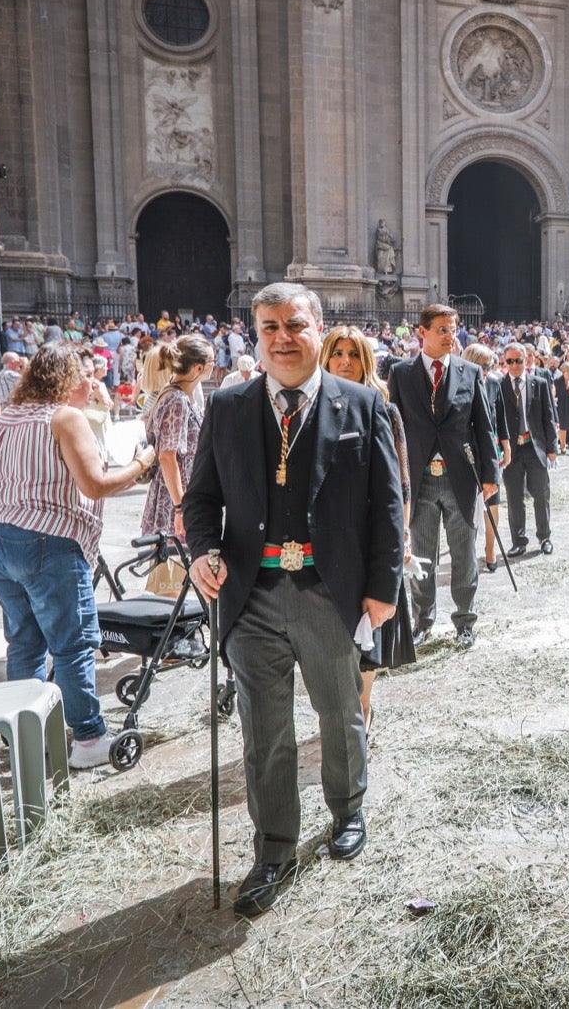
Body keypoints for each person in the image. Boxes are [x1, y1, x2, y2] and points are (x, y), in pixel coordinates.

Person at [185, 284, 403, 917]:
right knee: (265, 729)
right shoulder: (227, 407)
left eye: (295, 324)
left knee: (339, 714)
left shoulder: (363, 405)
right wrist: (201, 550)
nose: (282, 336)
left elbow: (388, 506)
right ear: (255, 333)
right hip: (249, 597)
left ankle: (348, 809)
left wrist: (381, 589)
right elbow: (200, 499)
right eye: (269, 325)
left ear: (319, 328)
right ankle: (274, 845)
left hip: (327, 593)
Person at [0, 343, 158, 769]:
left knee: (26, 641)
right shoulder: (64, 417)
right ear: (66, 379)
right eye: (84, 374)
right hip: (42, 540)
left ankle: (26, 732)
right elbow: (95, 484)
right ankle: (89, 737)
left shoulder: (11, 417)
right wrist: (141, 464)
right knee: (73, 645)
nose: (91, 382)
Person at [387, 304, 499, 649]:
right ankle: (423, 621)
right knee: (422, 555)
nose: (451, 337)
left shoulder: (468, 372)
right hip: (417, 479)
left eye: (454, 329)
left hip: (460, 478)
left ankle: (465, 621)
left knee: (464, 553)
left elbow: (483, 426)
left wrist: (490, 473)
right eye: (443, 330)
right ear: (422, 332)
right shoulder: (401, 374)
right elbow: (393, 429)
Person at [321, 325, 415, 730]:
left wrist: (402, 537)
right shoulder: (310, 407)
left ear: (367, 362)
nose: (345, 361)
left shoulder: (383, 408)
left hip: (370, 539)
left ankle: (362, 711)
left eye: (354, 354)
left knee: (368, 633)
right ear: (325, 358)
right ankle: (340, 713)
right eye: (338, 353)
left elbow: (402, 485)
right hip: (324, 541)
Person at [140, 335, 212, 542]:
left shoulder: (181, 395)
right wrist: (180, 508)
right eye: (212, 362)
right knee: (173, 567)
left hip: (182, 492)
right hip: (173, 499)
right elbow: (167, 457)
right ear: (198, 368)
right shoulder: (177, 400)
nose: (214, 367)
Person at [498, 341, 557, 556]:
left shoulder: (539, 383)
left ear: (526, 360)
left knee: (541, 494)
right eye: (510, 361)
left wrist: (552, 447)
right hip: (511, 451)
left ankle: (545, 537)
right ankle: (519, 541)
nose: (514, 365)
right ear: (504, 362)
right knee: (514, 498)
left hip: (535, 447)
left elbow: (548, 417)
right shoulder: (499, 385)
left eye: (518, 360)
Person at [461, 342, 507, 574]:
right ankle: (467, 553)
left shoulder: (494, 384)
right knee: (467, 506)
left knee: (493, 504)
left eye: (489, 366)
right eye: (482, 366)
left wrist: (506, 446)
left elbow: (499, 418)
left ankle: (491, 550)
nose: (486, 371)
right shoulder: (457, 385)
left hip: (490, 451)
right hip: (466, 452)